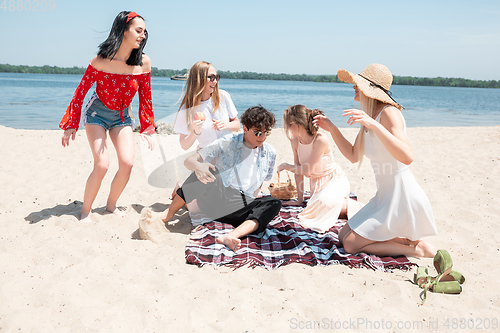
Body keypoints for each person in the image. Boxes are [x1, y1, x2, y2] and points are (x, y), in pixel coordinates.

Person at [313, 63, 438, 258]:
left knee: (351, 245)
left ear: (369, 89)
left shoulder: (388, 113)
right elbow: (354, 155)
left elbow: (407, 157)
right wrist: (333, 129)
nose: (354, 86)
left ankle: (415, 249)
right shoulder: (368, 117)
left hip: (400, 196)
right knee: (342, 236)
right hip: (384, 196)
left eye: (358, 83)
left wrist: (374, 124)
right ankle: (408, 241)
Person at [140, 106, 281, 251]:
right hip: (218, 199)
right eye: (258, 133)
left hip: (242, 207)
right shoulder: (229, 142)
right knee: (208, 172)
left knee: (274, 203)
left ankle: (231, 236)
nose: (262, 137)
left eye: (266, 133)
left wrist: (252, 204)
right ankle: (166, 215)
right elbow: (189, 161)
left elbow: (260, 185)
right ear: (245, 129)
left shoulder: (270, 152)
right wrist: (199, 166)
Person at [60, 11, 155, 222]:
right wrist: (71, 123)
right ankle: (85, 210)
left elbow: (145, 97)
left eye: (144, 32)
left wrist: (148, 127)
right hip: (97, 114)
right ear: (123, 31)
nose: (143, 35)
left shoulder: (143, 62)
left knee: (127, 164)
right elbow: (81, 91)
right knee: (102, 164)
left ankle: (110, 206)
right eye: (138, 31)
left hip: (122, 117)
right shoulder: (101, 60)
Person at [277, 105, 363, 233]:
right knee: (315, 206)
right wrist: (299, 200)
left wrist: (285, 166)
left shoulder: (320, 139)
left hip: (334, 180)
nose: (288, 129)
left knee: (322, 203)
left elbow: (307, 171)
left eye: (289, 125)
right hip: (316, 184)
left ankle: (362, 209)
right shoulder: (295, 141)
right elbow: (298, 172)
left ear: (298, 124)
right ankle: (341, 207)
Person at [171, 61, 240, 198]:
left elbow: (237, 125)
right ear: (198, 79)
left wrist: (226, 125)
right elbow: (184, 145)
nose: (215, 81)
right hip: (207, 157)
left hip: (230, 154)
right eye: (211, 77)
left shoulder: (223, 97)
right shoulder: (188, 108)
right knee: (201, 200)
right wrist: (195, 132)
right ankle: (181, 186)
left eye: (216, 77)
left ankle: (184, 185)